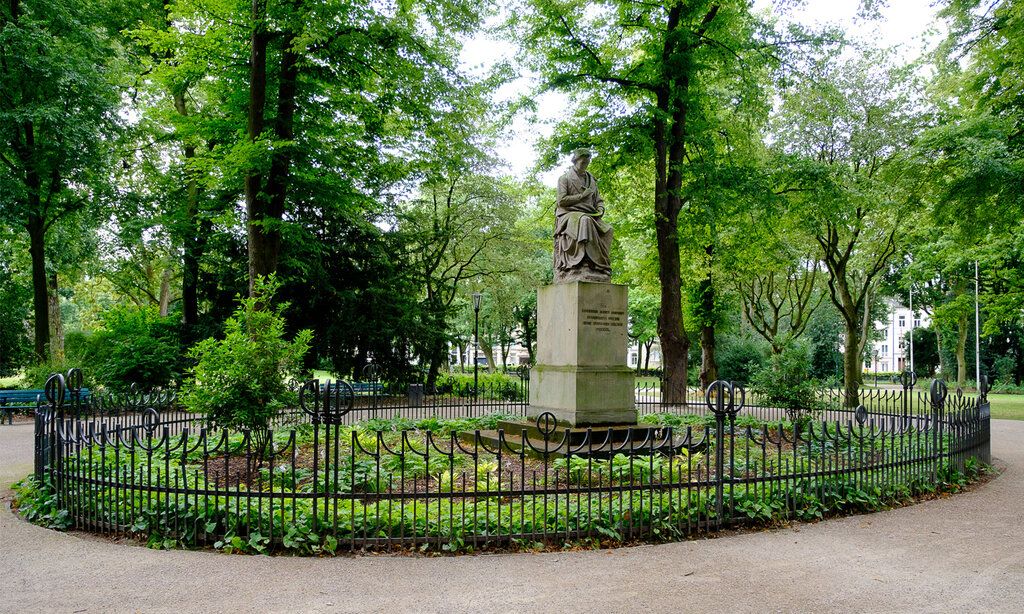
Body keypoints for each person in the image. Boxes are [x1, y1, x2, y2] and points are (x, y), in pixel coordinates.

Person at [553, 148, 613, 283]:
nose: (585, 165)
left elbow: (598, 200)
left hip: (591, 213)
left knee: (608, 229)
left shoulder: (591, 180)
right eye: (582, 162)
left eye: (587, 162)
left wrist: (600, 208)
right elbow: (561, 201)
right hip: (569, 213)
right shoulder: (564, 179)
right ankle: (582, 262)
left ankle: (599, 266)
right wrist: (581, 196)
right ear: (575, 161)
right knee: (585, 221)